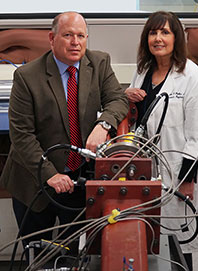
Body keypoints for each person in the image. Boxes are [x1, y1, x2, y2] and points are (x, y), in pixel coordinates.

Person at [0, 11, 128, 251]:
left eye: (81, 36)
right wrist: (50, 174)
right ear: (52, 38)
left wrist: (104, 125)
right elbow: (21, 135)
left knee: (73, 252)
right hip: (34, 181)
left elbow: (117, 99)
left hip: (77, 179)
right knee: (38, 253)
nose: (75, 42)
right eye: (68, 35)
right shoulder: (27, 77)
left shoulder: (99, 63)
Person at [125, 11, 198, 270]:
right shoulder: (142, 72)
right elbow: (136, 123)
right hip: (145, 171)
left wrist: (186, 180)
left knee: (178, 242)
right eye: (153, 32)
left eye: (165, 32)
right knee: (150, 239)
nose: (158, 38)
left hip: (178, 172)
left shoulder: (192, 77)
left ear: (176, 38)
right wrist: (126, 97)